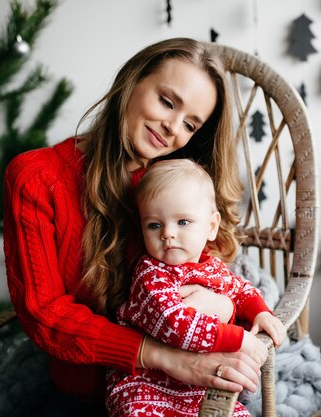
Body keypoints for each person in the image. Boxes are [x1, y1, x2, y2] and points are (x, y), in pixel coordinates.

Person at [3, 38, 264, 411]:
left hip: (189, 393)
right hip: (87, 391)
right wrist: (163, 356)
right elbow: (45, 314)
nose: (172, 127)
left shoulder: (174, 187)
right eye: (166, 101)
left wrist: (222, 305)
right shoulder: (35, 178)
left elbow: (212, 272)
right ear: (131, 82)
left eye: (190, 124)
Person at [106, 159, 286, 416]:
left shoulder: (211, 267)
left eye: (183, 222)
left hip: (198, 386)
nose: (167, 233)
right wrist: (239, 339)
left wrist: (261, 312)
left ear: (211, 226)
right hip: (145, 384)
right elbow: (176, 324)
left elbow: (241, 289)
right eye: (154, 225)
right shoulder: (151, 275)